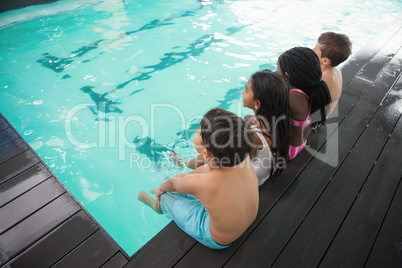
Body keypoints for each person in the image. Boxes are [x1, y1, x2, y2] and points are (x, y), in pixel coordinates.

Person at [138, 108, 259, 249]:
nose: (196, 133)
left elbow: (171, 183)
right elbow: (205, 169)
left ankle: (156, 205)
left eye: (198, 132)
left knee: (165, 195)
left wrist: (160, 189)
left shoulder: (204, 183)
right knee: (185, 180)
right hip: (244, 220)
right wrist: (183, 177)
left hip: (218, 238)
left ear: (206, 153)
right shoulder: (238, 157)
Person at [277, 47, 332, 160]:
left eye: (278, 69)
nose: (276, 72)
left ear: (287, 76)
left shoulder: (292, 97)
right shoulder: (312, 89)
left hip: (285, 151)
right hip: (299, 145)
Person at [242, 70, 290, 185]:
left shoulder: (254, 136)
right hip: (266, 175)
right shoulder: (280, 121)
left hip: (252, 184)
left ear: (257, 104)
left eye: (247, 90)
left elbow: (240, 168)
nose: (243, 91)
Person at [313, 32, 352, 115]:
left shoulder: (321, 79)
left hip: (314, 122)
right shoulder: (337, 71)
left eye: (315, 50)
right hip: (325, 115)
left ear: (325, 61)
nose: (312, 50)